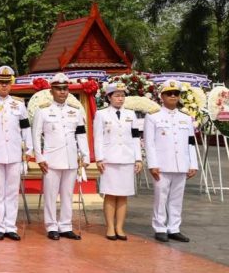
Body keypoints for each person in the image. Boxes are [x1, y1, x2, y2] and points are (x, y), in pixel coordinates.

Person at [32, 73, 89, 241]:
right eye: (58, 89)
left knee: (67, 195)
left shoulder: (75, 111)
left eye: (65, 89)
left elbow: (81, 134)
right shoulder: (43, 111)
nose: (62, 92)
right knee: (50, 194)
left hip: (70, 158)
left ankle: (65, 226)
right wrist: (39, 158)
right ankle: (51, 226)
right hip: (51, 159)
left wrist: (85, 155)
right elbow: (36, 135)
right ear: (52, 91)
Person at [0, 66, 33, 241]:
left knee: (12, 192)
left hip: (14, 154)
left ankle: (10, 226)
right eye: (1, 82)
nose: (4, 86)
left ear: (11, 84)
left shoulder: (19, 104)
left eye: (7, 83)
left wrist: (29, 149)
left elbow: (26, 128)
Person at [144, 79, 198, 243]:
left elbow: (190, 142)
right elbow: (149, 143)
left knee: (177, 198)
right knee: (161, 198)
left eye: (176, 93)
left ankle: (174, 228)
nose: (173, 96)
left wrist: (193, 164)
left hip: (181, 164)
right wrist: (152, 164)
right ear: (162, 96)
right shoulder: (153, 117)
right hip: (162, 164)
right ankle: (160, 227)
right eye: (169, 93)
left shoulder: (186, 118)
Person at [93, 81, 142, 241]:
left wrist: (138, 158)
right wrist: (99, 158)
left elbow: (135, 137)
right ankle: (110, 227)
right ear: (109, 97)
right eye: (117, 96)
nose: (120, 98)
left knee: (123, 195)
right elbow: (98, 138)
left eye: (122, 96)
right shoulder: (101, 114)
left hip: (127, 158)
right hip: (109, 159)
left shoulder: (131, 114)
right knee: (110, 194)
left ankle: (120, 227)